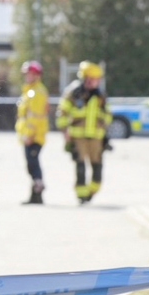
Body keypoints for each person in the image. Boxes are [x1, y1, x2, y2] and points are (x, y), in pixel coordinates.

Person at [57, 61, 110, 204]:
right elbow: (62, 113)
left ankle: (92, 192)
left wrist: (104, 129)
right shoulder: (73, 93)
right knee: (80, 167)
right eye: (92, 79)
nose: (95, 83)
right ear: (85, 78)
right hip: (78, 137)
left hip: (96, 139)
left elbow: (107, 116)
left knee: (97, 169)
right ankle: (81, 195)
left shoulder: (100, 96)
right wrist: (65, 132)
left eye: (97, 80)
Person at [15, 60, 50, 204]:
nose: (28, 76)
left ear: (37, 76)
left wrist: (29, 135)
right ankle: (36, 196)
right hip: (30, 135)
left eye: (31, 74)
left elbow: (34, 117)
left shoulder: (37, 93)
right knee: (31, 164)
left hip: (34, 136)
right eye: (27, 74)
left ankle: (39, 186)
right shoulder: (29, 91)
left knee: (33, 163)